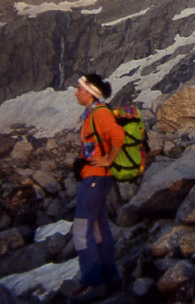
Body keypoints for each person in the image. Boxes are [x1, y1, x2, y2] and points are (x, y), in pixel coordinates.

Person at [70, 73, 125, 303]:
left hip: (94, 179)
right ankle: (110, 276)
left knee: (82, 231)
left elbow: (117, 135)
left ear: (90, 93)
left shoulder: (99, 114)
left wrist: (108, 160)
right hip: (98, 179)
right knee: (98, 228)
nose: (76, 92)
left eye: (80, 89)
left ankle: (93, 283)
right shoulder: (95, 113)